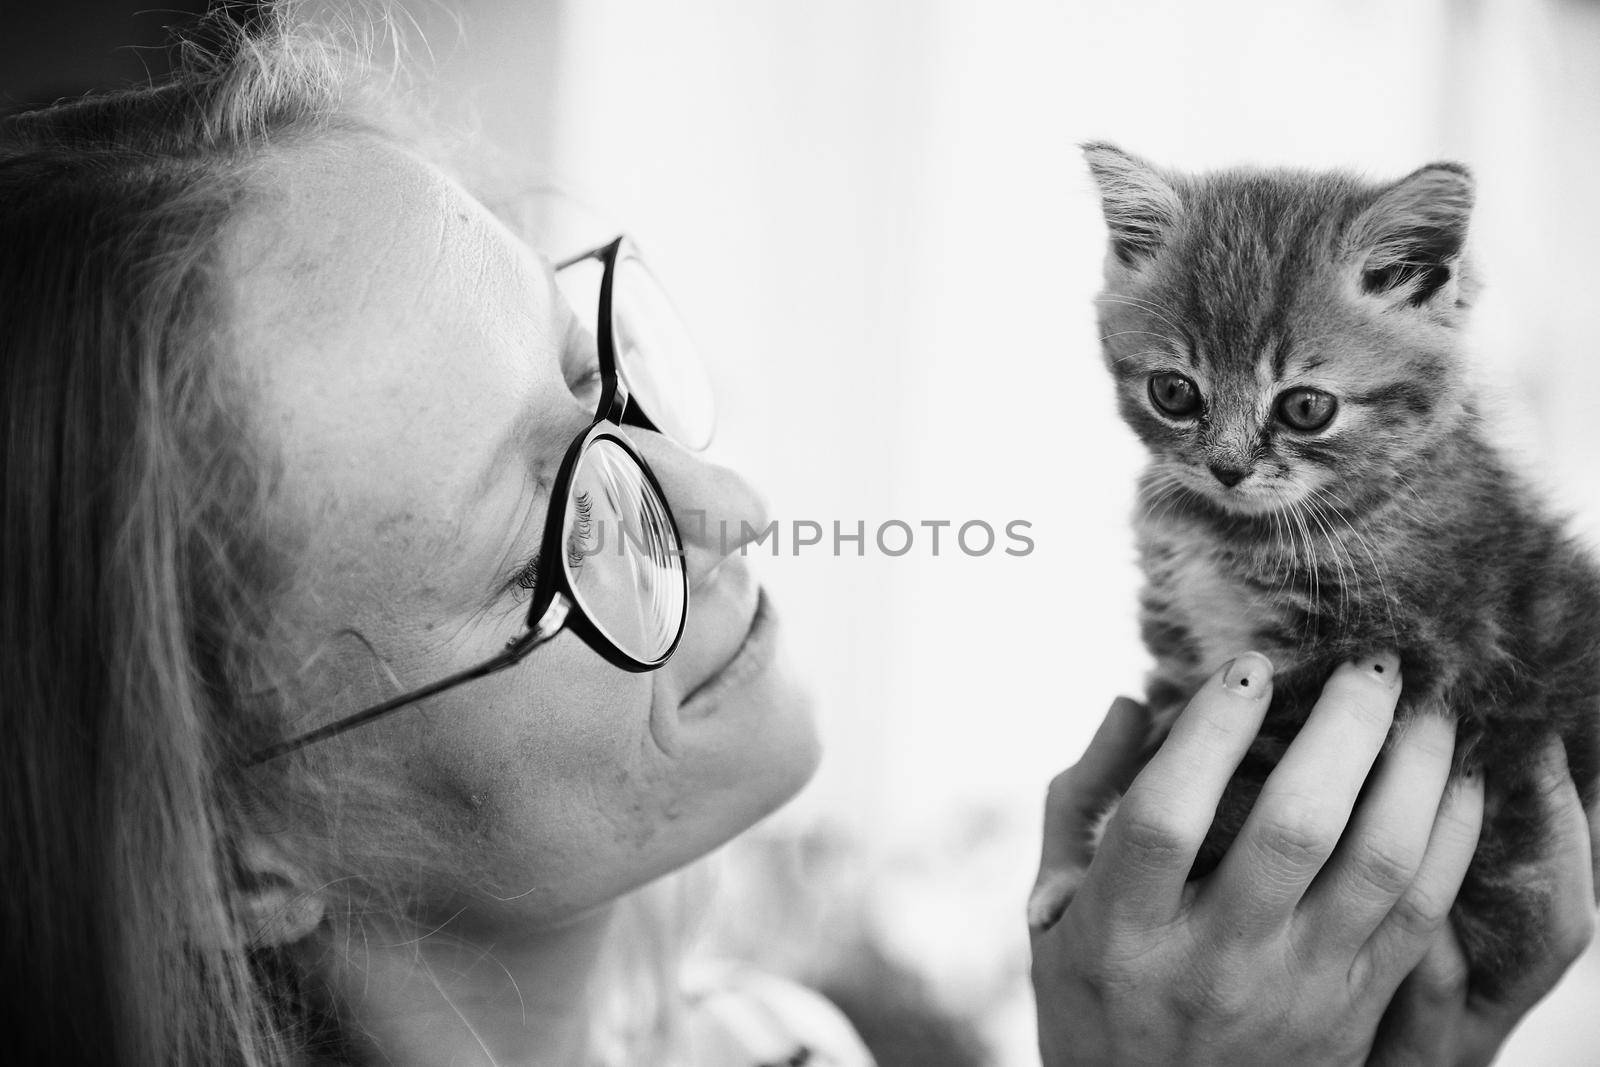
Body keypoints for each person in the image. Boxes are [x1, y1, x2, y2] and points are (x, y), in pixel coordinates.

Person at [0, 9, 1592, 1066]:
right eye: (555, 531)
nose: (735, 508)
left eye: (595, 376)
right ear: (240, 854)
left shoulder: (770, 1039)